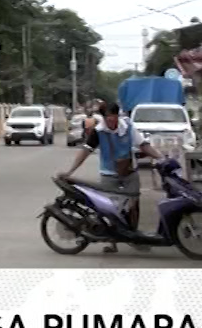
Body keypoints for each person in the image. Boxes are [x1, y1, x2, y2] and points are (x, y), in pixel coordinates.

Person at [57, 100, 158, 254]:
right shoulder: (98, 131)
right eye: (108, 118)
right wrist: (70, 171)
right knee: (110, 209)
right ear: (104, 118)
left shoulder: (128, 127)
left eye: (114, 117)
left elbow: (143, 145)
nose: (112, 121)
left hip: (130, 172)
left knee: (133, 206)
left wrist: (160, 157)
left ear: (118, 115)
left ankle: (135, 238)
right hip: (109, 174)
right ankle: (113, 243)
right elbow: (85, 151)